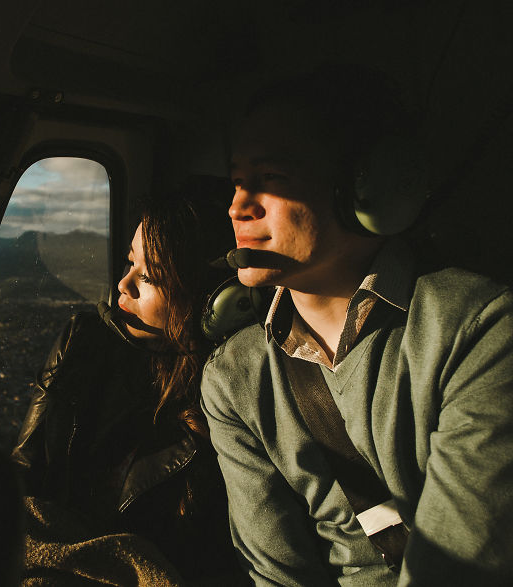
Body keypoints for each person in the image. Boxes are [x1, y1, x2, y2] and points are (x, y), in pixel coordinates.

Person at [200, 64, 513, 585]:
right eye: (236, 182)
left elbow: (461, 569)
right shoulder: (233, 377)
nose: (238, 206)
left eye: (272, 178)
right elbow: (278, 574)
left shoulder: (478, 330)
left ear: (372, 189)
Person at [12, 184, 246, 584]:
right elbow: (24, 470)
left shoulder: (232, 396)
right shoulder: (81, 343)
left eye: (150, 276)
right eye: (128, 262)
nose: (123, 284)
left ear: (210, 299)